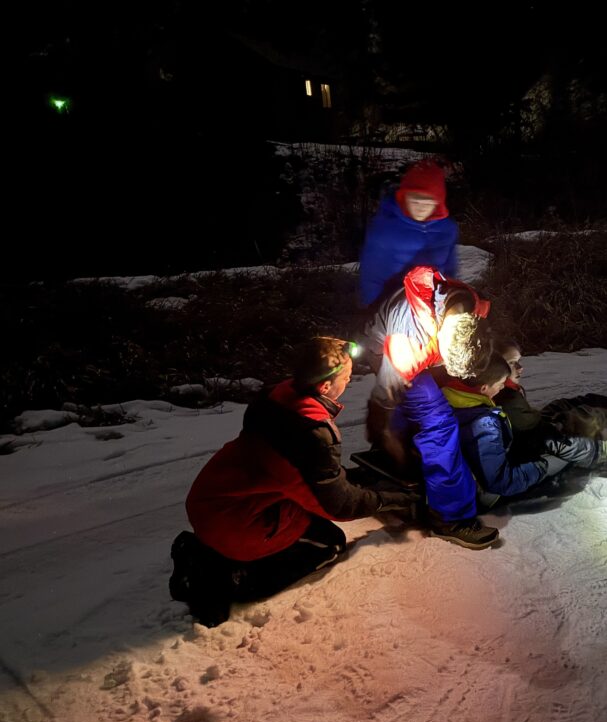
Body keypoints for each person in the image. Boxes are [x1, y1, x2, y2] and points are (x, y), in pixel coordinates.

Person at [169, 337, 418, 627]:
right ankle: (232, 578)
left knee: (310, 510)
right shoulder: (311, 433)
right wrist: (393, 498)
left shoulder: (276, 396)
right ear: (325, 387)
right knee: (328, 544)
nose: (349, 381)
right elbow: (339, 505)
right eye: (346, 377)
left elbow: (310, 477)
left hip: (211, 501)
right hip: (236, 525)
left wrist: (351, 479)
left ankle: (209, 552)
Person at [361, 265, 498, 549]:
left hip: (418, 333)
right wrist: (381, 428)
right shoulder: (408, 348)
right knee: (439, 423)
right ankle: (450, 518)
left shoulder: (470, 307)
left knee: (426, 397)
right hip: (382, 345)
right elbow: (385, 393)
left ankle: (406, 442)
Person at [441, 352, 607, 504]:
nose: (519, 369)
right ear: (484, 386)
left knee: (559, 411)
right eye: (500, 383)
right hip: (497, 487)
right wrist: (539, 467)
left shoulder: (456, 397)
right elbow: (501, 481)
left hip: (508, 453)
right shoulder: (485, 422)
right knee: (564, 438)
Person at [493, 340, 607, 446]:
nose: (520, 368)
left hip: (532, 429)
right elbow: (527, 432)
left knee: (561, 404)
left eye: (519, 361)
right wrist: (558, 423)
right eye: (512, 363)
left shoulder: (506, 390)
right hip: (538, 442)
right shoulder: (505, 397)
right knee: (580, 417)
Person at [358, 159, 459, 308]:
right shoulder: (386, 228)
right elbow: (372, 274)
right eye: (415, 201)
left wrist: (450, 296)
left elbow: (450, 269)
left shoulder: (447, 229)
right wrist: (374, 307)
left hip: (433, 301)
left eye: (427, 202)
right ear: (405, 198)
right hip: (394, 302)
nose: (421, 208)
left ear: (438, 203)